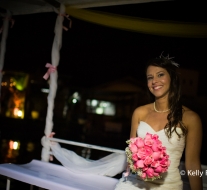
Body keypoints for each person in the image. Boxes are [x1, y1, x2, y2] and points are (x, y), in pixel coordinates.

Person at [114, 54, 203, 190]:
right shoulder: (139, 112)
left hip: (168, 186)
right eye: (150, 77)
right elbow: (130, 154)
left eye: (160, 75)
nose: (154, 81)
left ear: (172, 78)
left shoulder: (191, 118)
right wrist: (144, 161)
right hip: (135, 183)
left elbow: (192, 164)